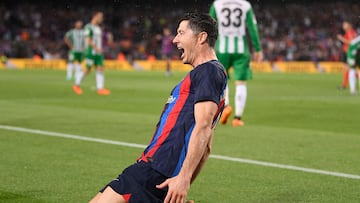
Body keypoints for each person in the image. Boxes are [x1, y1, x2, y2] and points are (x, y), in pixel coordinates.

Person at [89, 13, 227, 203]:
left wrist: (184, 179)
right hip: (155, 169)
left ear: (201, 37)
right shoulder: (205, 74)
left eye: (181, 33)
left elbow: (203, 128)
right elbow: (207, 146)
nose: (175, 39)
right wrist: (181, 181)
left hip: (156, 170)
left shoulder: (208, 71)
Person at [209, 0, 262, 127]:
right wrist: (257, 48)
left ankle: (226, 106)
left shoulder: (217, 4)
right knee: (241, 82)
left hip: (222, 48)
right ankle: (237, 118)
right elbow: (252, 27)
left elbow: (209, 25)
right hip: (241, 49)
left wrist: (209, 45)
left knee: (222, 78)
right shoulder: (245, 5)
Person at [73, 11, 111, 95]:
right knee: (87, 70)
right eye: (100, 17)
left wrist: (100, 48)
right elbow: (88, 40)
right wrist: (96, 48)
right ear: (95, 17)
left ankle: (100, 89)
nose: (101, 19)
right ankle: (76, 85)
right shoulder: (88, 27)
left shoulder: (98, 28)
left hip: (98, 52)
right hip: (91, 51)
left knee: (100, 69)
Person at [337, 21, 357, 90]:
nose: (343, 26)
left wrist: (341, 38)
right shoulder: (351, 32)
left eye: (345, 24)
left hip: (349, 52)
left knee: (348, 69)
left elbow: (352, 43)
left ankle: (344, 85)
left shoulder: (350, 32)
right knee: (347, 69)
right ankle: (344, 85)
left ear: (349, 25)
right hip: (348, 52)